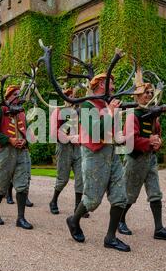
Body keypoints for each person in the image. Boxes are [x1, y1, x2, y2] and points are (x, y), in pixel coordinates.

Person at [66, 73, 131, 252]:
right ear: (101, 84)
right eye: (112, 82)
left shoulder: (105, 104)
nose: (114, 85)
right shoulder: (87, 106)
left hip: (111, 153)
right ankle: (74, 220)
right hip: (94, 155)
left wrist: (122, 137)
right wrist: (111, 112)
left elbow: (113, 131)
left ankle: (110, 238)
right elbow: (97, 132)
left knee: (120, 196)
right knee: (93, 200)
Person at [120, 82, 166, 241]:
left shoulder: (154, 114)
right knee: (130, 194)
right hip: (135, 159)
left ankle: (159, 229)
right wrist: (149, 141)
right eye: (145, 92)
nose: (148, 94)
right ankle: (120, 220)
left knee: (155, 193)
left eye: (150, 92)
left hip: (150, 158)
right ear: (137, 96)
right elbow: (129, 140)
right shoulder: (133, 115)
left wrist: (158, 142)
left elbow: (157, 134)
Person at [0, 85, 33, 230]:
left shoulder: (21, 112)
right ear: (7, 97)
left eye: (19, 94)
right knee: (1, 183)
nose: (17, 96)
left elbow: (26, 130)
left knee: (22, 184)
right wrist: (9, 140)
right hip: (5, 151)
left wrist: (25, 140)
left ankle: (21, 218)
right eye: (14, 94)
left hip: (22, 151)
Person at [49, 88, 86, 217]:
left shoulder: (79, 112)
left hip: (78, 148)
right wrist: (70, 138)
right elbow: (54, 134)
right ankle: (53, 201)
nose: (71, 99)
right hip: (64, 148)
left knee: (81, 178)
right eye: (68, 96)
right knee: (63, 178)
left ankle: (77, 206)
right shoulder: (58, 112)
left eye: (73, 96)